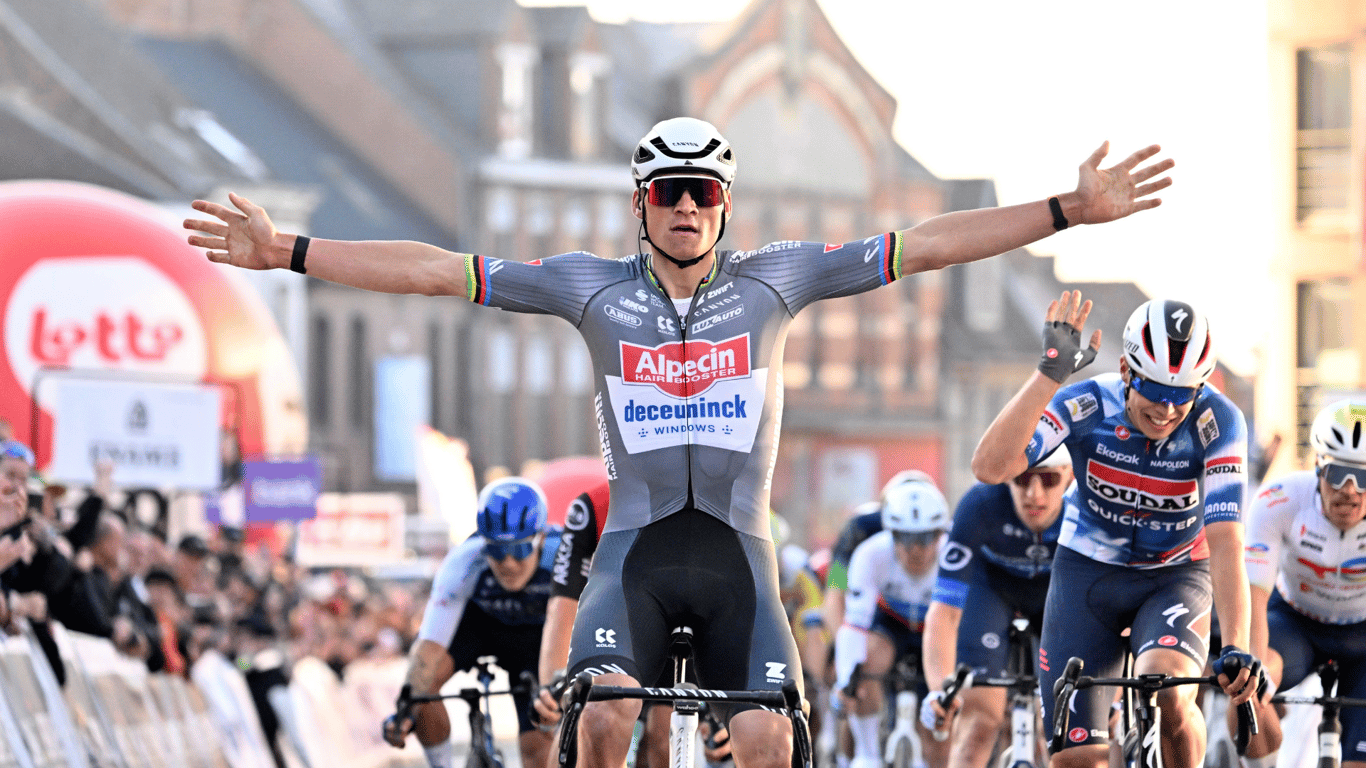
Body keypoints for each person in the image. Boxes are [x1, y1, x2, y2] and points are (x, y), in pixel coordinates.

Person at [186, 115, 1173, 767]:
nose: (689, 207)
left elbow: (925, 245)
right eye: (670, 194)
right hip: (637, 558)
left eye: (704, 191)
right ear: (641, 206)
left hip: (742, 559)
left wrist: (1067, 211)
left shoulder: (778, 280)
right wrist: (287, 251)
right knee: (608, 716)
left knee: (767, 740)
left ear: (726, 204)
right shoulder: (589, 289)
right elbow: (440, 272)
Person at [971, 292, 1259, 768]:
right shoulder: (1087, 405)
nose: (1168, 410)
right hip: (1087, 574)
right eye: (1156, 392)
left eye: (1183, 394)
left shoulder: (1219, 421)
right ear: (1126, 371)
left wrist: (1235, 647)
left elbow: (1226, 538)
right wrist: (1049, 375)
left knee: (1167, 688)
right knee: (1076, 759)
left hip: (1177, 576)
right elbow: (989, 466)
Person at [382, 477, 559, 768]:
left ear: (541, 538)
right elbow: (428, 647)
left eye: (519, 550)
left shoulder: (564, 555)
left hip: (538, 637)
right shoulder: (463, 561)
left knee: (537, 749)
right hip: (481, 628)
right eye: (497, 551)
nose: (508, 563)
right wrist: (406, 709)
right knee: (420, 689)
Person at [918, 446, 1071, 768]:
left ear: (1070, 476)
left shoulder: (1085, 506)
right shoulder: (979, 506)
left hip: (1058, 594)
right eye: (1022, 479)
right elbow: (944, 613)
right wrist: (938, 692)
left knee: (1069, 730)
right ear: (1006, 478)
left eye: (1049, 479)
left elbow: (1107, 610)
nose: (1034, 494)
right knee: (978, 725)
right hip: (991, 591)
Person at [1236, 400, 1366, 768]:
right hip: (1295, 623)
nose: (1351, 491)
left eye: (1365, 477)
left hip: (1363, 633)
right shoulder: (1281, 500)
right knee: (1247, 688)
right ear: (1318, 467)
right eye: (1338, 474)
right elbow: (1254, 599)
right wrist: (1251, 677)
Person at [834, 477, 951, 768]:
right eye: (906, 538)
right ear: (889, 530)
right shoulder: (860, 537)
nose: (916, 549)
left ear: (940, 533)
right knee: (862, 661)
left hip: (934, 628)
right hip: (887, 620)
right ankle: (865, 751)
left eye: (927, 537)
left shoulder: (953, 551)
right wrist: (846, 677)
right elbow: (841, 604)